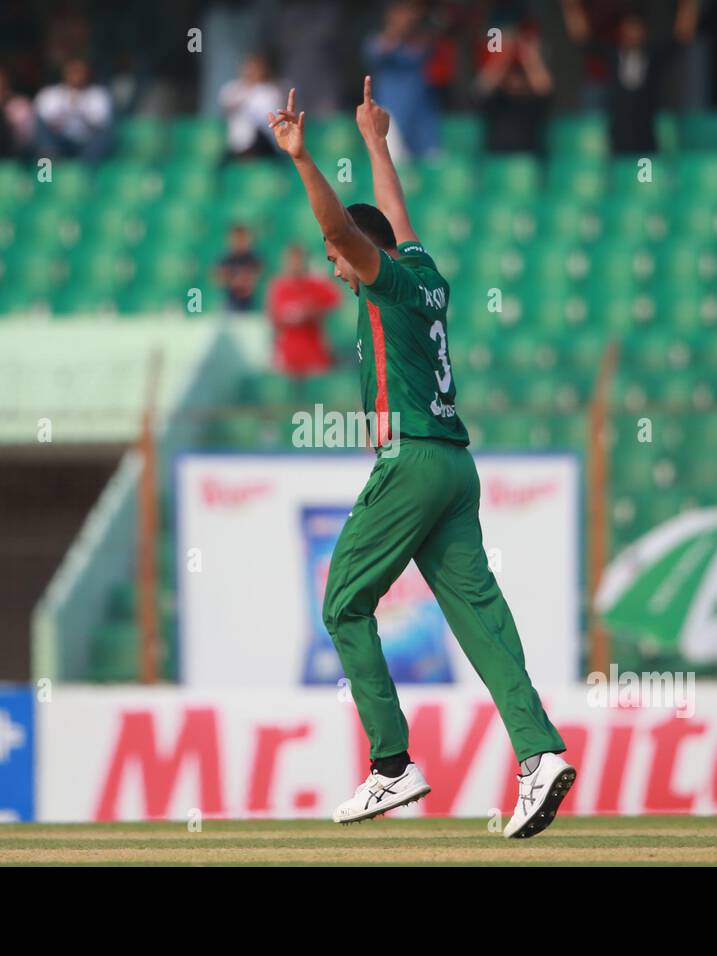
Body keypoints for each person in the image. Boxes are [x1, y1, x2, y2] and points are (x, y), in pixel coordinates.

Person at [266, 78, 575, 839]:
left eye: (345, 261)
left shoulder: (383, 281)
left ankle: (392, 766)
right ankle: (538, 755)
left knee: (342, 601)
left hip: (409, 461)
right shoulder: (425, 275)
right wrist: (375, 140)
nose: (338, 271)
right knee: (479, 617)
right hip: (455, 467)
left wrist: (305, 160)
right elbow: (394, 219)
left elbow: (345, 232)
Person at [364, 1, 440, 160]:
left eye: (411, 12)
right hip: (390, 121)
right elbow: (379, 51)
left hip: (423, 121)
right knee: (395, 174)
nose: (409, 17)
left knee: (434, 167)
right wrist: (397, 27)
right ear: (390, 15)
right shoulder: (375, 43)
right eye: (403, 12)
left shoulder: (424, 43)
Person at [475, 25, 554, 156]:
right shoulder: (496, 101)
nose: (515, 80)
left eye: (519, 75)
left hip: (528, 164)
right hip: (497, 162)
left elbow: (544, 87)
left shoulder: (533, 102)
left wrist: (529, 57)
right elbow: (482, 86)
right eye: (511, 75)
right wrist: (504, 54)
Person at [267, 245, 340, 377]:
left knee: (317, 396)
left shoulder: (316, 284)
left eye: (298, 260)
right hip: (288, 355)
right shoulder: (279, 287)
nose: (295, 265)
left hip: (314, 354)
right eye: (292, 261)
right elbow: (274, 318)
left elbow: (335, 303)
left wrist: (313, 312)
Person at [33, 58, 114, 162]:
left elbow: (99, 125)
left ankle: (86, 175)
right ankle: (45, 177)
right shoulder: (50, 93)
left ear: (87, 73)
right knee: (44, 140)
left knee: (103, 134)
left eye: (79, 71)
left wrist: (79, 107)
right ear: (65, 73)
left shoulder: (98, 94)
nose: (76, 75)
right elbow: (45, 124)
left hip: (87, 142)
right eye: (73, 71)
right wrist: (67, 109)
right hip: (59, 142)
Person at [219, 53, 284, 159]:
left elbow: (270, 119)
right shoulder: (233, 88)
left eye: (255, 67)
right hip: (236, 141)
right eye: (248, 67)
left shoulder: (271, 91)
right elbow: (226, 106)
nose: (251, 71)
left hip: (264, 140)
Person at [215, 225, 264, 312]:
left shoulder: (254, 258)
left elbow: (260, 278)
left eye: (241, 239)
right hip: (230, 302)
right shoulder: (225, 259)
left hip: (252, 303)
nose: (238, 242)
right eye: (236, 239)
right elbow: (219, 280)